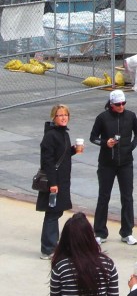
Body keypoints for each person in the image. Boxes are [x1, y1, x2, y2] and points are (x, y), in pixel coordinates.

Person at [89, 89, 137, 245]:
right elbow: (93, 137)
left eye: (123, 103)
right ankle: (100, 232)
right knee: (103, 196)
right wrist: (105, 142)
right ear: (111, 104)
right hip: (107, 163)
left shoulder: (131, 116)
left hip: (126, 162)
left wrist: (131, 146)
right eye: (118, 104)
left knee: (127, 197)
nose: (121, 107)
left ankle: (127, 232)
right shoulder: (102, 118)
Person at [37, 103, 83, 259]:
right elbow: (48, 161)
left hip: (62, 180)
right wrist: (53, 184)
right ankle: (48, 248)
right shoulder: (50, 136)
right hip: (55, 181)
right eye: (60, 115)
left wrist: (73, 150)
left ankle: (52, 245)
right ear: (53, 117)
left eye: (66, 115)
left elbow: (61, 155)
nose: (63, 118)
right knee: (52, 213)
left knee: (56, 212)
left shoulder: (63, 133)